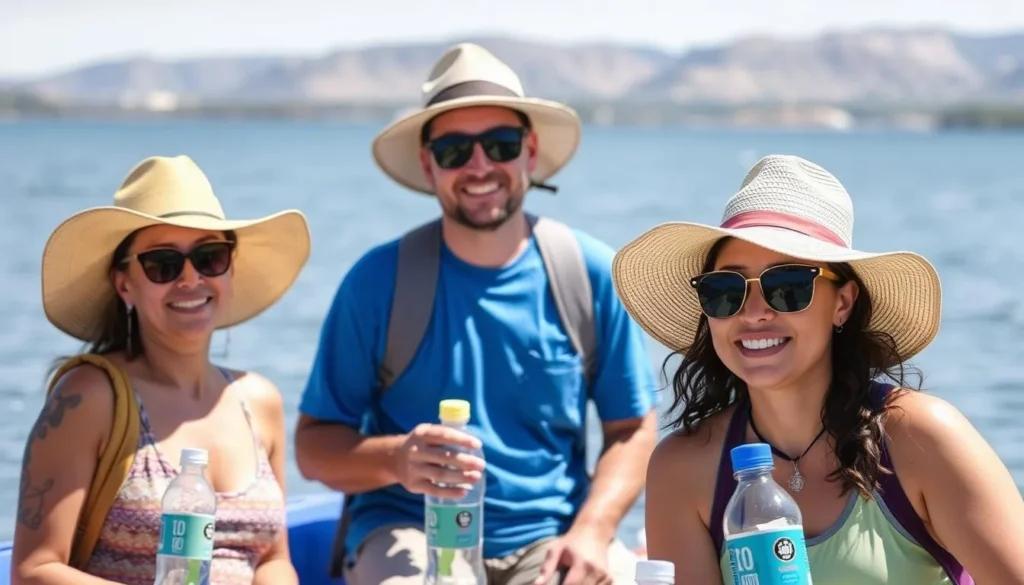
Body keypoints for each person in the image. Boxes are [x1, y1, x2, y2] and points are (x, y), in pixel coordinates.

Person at [295, 43, 658, 585]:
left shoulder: (589, 274)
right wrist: (399, 459)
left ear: (529, 153)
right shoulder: (376, 283)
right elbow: (313, 447)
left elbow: (633, 429)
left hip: (550, 538)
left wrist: (594, 530)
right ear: (427, 164)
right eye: (454, 150)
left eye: (501, 144)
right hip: (408, 532)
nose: (480, 165)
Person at [612, 154, 1024, 585]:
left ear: (842, 303)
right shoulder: (683, 469)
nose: (753, 313)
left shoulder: (922, 439)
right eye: (725, 290)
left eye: (787, 287)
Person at [12, 155, 312, 585]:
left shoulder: (259, 400)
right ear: (124, 284)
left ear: (230, 268)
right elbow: (34, 571)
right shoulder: (91, 399)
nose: (189, 279)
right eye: (163, 264)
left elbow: (271, 559)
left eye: (209, 257)